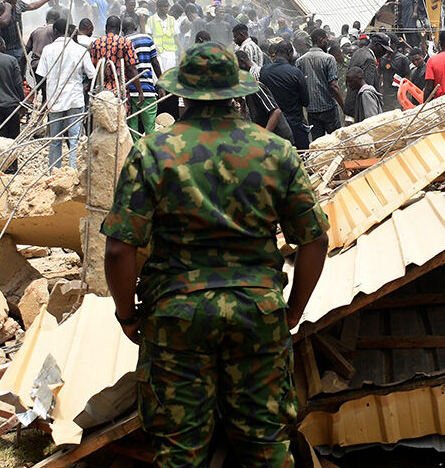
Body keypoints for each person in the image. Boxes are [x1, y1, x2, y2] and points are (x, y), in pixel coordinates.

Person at [102, 42, 328, 468]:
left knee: (180, 450)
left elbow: (118, 247)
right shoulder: (275, 151)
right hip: (256, 313)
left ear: (182, 94)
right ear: (237, 94)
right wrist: (292, 310)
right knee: (266, 445)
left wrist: (126, 313)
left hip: (176, 318)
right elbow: (313, 241)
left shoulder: (152, 152)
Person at [37, 18, 93, 170]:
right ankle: (74, 171)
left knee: (55, 139)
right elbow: (91, 73)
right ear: (70, 32)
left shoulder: (48, 50)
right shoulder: (80, 50)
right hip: (75, 99)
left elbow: (41, 74)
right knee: (74, 139)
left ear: (55, 32)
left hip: (55, 100)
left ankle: (54, 172)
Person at [259, 40, 310, 149]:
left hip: (274, 126)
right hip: (294, 125)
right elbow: (305, 101)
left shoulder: (264, 71)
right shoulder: (295, 73)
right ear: (289, 52)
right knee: (302, 157)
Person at [296, 28, 344, 140]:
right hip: (329, 109)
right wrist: (344, 107)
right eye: (326, 40)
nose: (327, 43)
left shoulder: (300, 61)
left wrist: (302, 114)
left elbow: (298, 89)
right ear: (321, 40)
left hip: (312, 111)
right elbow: (334, 86)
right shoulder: (329, 59)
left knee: (318, 145)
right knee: (337, 141)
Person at [235, 51, 293, 142]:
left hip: (279, 139)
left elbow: (276, 112)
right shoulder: (245, 94)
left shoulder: (255, 87)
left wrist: (264, 135)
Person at [0, 0, 56, 74]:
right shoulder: (0, 8)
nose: (13, 5)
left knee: (19, 72)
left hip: (18, 46)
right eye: (10, 3)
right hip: (6, 48)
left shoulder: (18, 5)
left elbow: (32, 6)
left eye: (15, 2)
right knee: (8, 73)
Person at [123, 17, 160, 135]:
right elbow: (155, 63)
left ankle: (134, 151)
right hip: (148, 89)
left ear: (122, 30)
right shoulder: (148, 39)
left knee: (133, 128)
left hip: (130, 90)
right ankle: (150, 151)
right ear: (135, 27)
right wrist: (162, 82)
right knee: (150, 127)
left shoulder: (123, 42)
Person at [89, 15, 140, 97]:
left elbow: (92, 69)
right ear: (120, 29)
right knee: (121, 109)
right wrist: (140, 91)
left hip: (101, 92)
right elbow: (131, 69)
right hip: (119, 92)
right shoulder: (125, 43)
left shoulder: (95, 44)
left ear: (106, 27)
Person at [25, 9, 61, 103]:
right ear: (58, 20)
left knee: (42, 89)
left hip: (35, 66)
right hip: (49, 67)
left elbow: (24, 53)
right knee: (48, 93)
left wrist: (22, 74)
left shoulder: (36, 31)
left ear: (46, 19)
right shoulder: (57, 32)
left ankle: (36, 105)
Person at [149, 0, 179, 72]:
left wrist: (180, 49)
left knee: (170, 74)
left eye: (167, 6)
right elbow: (149, 35)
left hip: (170, 52)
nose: (167, 8)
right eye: (164, 6)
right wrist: (154, 47)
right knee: (159, 74)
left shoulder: (172, 20)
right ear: (159, 7)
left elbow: (175, 36)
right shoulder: (151, 20)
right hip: (157, 52)